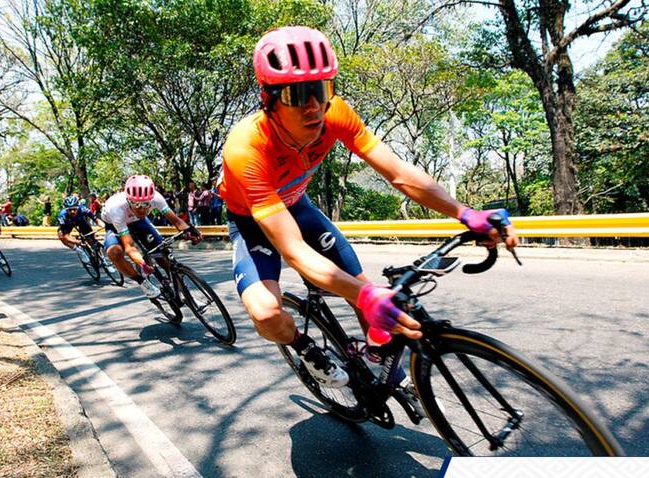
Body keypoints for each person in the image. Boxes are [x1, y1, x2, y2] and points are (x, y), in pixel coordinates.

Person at [219, 26, 518, 396]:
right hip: (252, 221)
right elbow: (293, 250)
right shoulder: (245, 148)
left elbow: (398, 173)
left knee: (362, 288)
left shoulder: (336, 114)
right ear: (269, 99)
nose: (313, 106)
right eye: (297, 94)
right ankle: (303, 346)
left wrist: (465, 212)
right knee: (265, 312)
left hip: (298, 206)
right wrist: (365, 295)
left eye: (320, 90)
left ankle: (386, 369)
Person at [102, 174, 202, 300]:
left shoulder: (156, 198)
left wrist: (190, 231)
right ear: (128, 200)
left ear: (151, 199)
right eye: (136, 204)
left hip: (139, 222)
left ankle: (186, 294)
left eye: (146, 204)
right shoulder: (116, 209)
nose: (141, 210)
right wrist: (142, 264)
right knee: (114, 253)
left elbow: (176, 221)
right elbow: (129, 247)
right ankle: (142, 282)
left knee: (161, 253)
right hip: (114, 225)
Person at [56, 195, 108, 268]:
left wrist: (104, 226)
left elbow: (96, 220)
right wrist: (77, 242)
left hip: (80, 221)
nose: (72, 211)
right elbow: (65, 236)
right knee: (61, 235)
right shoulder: (62, 216)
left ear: (78, 207)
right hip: (68, 224)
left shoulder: (83, 209)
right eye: (69, 210)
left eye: (74, 209)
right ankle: (79, 251)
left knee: (91, 240)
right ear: (66, 209)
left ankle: (103, 260)